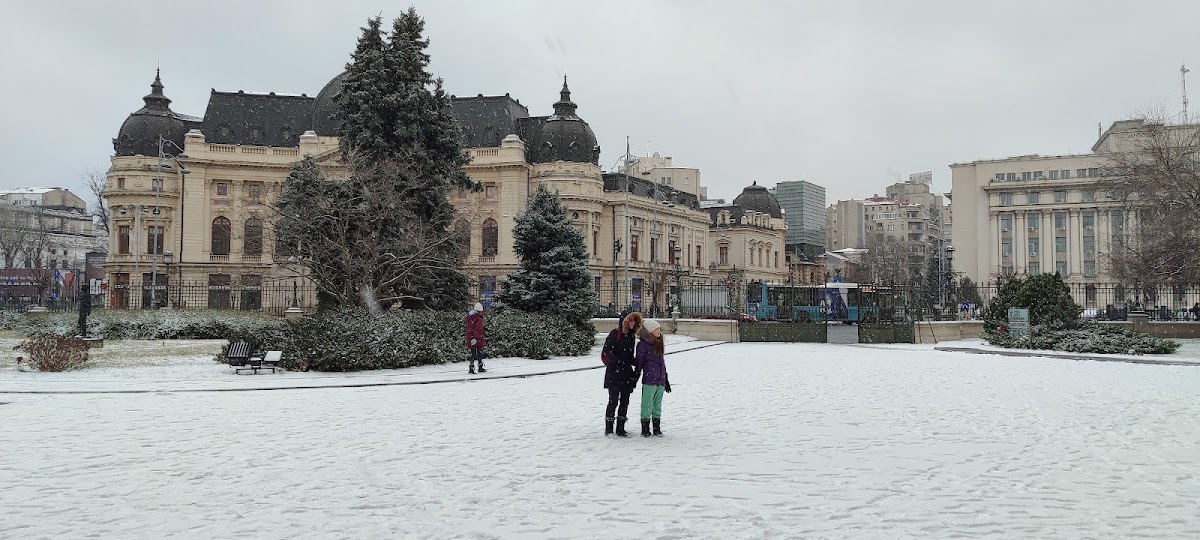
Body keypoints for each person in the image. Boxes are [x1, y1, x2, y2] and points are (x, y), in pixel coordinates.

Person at [601, 310, 642, 437]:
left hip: (626, 374)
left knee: (625, 400)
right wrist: (618, 363)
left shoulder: (631, 336)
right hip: (614, 372)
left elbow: (629, 356)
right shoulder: (615, 333)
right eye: (630, 320)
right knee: (613, 400)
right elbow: (607, 351)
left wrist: (638, 363)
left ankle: (620, 428)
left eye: (634, 320)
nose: (632, 323)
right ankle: (609, 429)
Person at [636, 318, 670, 437]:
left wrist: (665, 378)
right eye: (656, 329)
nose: (659, 331)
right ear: (650, 331)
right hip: (650, 379)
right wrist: (636, 375)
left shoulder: (659, 343)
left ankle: (656, 427)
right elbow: (639, 362)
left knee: (657, 405)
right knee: (647, 404)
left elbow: (662, 363)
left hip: (660, 379)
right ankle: (645, 428)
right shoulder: (642, 345)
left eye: (659, 328)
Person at [465, 302, 486, 374]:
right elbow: (478, 330)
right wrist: (477, 338)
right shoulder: (478, 319)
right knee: (478, 353)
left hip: (471, 338)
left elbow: (470, 328)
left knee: (473, 353)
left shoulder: (470, 317)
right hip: (476, 339)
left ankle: (473, 367)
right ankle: (477, 367)